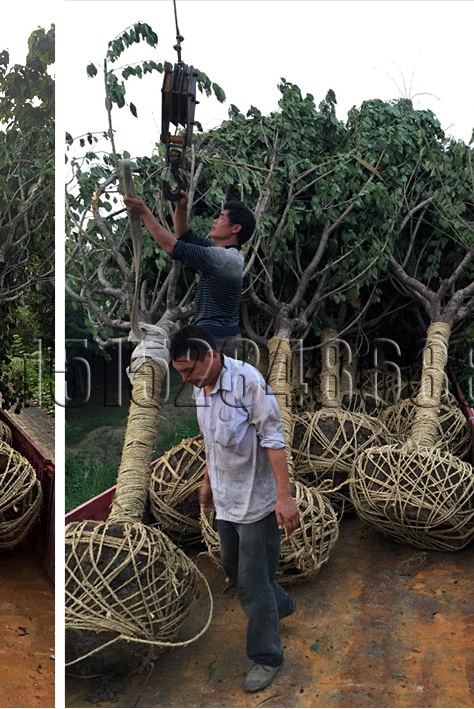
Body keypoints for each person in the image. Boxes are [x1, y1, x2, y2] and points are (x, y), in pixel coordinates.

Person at [169, 324, 300, 693]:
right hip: (226, 501)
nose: (186, 379)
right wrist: (209, 483)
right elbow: (212, 443)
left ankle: (267, 656)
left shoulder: (248, 382)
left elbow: (274, 440)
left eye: (189, 370)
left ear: (209, 356)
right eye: (180, 372)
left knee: (253, 585)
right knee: (232, 567)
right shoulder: (201, 390)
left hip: (257, 504)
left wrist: (284, 497)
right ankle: (281, 603)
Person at [123, 191, 254, 357]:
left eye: (221, 217)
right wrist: (181, 206)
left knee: (214, 382)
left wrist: (144, 212)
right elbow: (184, 236)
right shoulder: (223, 253)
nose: (215, 221)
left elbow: (173, 247)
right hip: (219, 338)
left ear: (235, 228)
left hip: (219, 342)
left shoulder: (224, 258)